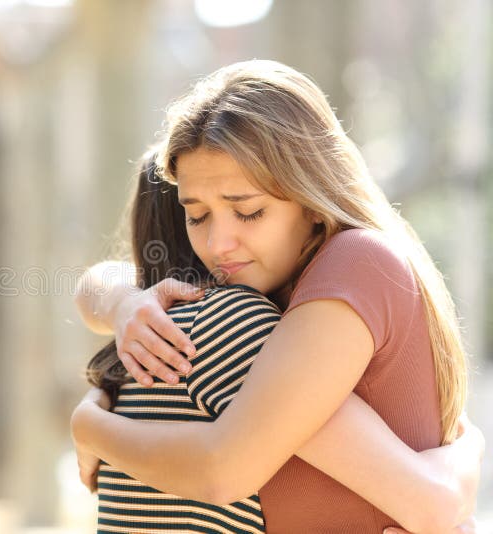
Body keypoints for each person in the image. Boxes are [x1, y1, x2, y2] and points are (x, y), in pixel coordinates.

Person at [72, 60, 484, 533]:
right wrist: (125, 303)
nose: (218, 244)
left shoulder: (354, 262)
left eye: (247, 212)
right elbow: (99, 281)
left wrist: (89, 428)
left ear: (310, 199)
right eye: (198, 216)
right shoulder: (270, 298)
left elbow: (223, 469)